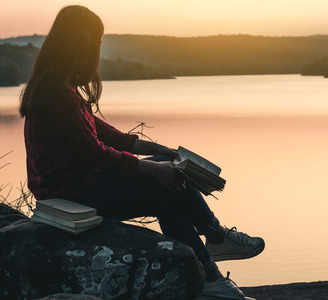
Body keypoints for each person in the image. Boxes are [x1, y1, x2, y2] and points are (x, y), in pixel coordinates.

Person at [19, 5, 264, 300]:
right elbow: (94, 154)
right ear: (80, 43)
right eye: (96, 42)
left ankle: (212, 262)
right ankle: (214, 253)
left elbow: (109, 137)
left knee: (165, 176)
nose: (98, 49)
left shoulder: (59, 88)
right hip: (71, 196)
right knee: (165, 188)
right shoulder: (58, 94)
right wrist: (154, 169)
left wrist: (160, 151)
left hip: (74, 188)